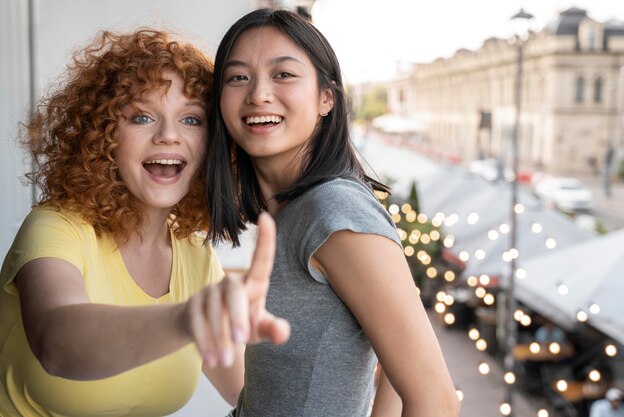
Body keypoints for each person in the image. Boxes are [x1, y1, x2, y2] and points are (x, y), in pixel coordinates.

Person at [0, 29, 290, 416]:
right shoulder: (56, 227)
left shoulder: (195, 256)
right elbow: (58, 343)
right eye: (142, 117)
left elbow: (250, 395)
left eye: (191, 119)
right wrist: (186, 319)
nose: (169, 136)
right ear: (103, 135)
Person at [205, 8, 459, 417]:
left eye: (283, 74)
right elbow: (393, 367)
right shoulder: (293, 212)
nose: (258, 94)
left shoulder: (333, 211)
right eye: (238, 77)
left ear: (326, 98)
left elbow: (435, 400)